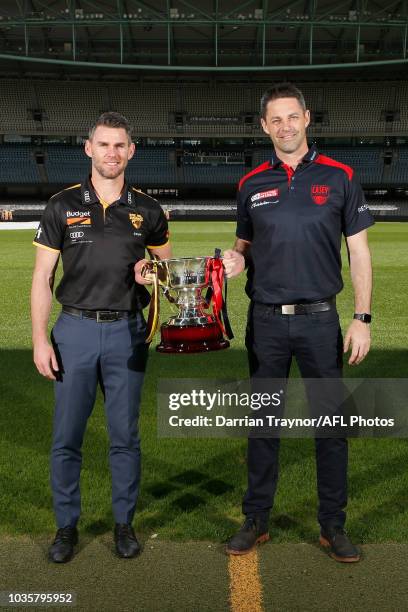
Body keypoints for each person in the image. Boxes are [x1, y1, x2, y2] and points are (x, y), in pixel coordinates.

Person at [223, 83, 374, 562]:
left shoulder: (342, 175)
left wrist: (362, 318)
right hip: (265, 322)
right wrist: (234, 260)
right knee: (262, 423)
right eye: (276, 119)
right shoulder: (250, 184)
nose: (285, 126)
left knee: (330, 425)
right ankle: (256, 519)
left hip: (320, 321)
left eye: (293, 117)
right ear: (264, 126)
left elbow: (360, 253)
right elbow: (244, 246)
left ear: (308, 118)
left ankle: (333, 525)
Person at [31, 112, 172, 563]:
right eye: (104, 144)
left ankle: (123, 524)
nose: (112, 153)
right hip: (72, 331)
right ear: (88, 148)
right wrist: (39, 339)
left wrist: (152, 272)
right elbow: (41, 279)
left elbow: (166, 272)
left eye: (120, 146)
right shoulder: (61, 205)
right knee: (66, 436)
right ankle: (66, 527)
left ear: (131, 151)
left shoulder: (149, 210)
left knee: (124, 436)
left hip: (127, 333)